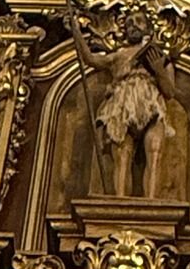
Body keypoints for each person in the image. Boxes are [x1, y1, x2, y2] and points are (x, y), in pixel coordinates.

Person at [71, 11, 179, 198]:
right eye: (129, 23)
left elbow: (170, 92)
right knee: (122, 156)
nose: (133, 25)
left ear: (148, 27)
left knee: (155, 154)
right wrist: (75, 31)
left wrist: (158, 70)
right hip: (123, 106)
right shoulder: (119, 55)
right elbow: (90, 59)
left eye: (138, 21)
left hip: (152, 106)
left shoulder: (160, 57)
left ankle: (152, 203)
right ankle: (120, 201)